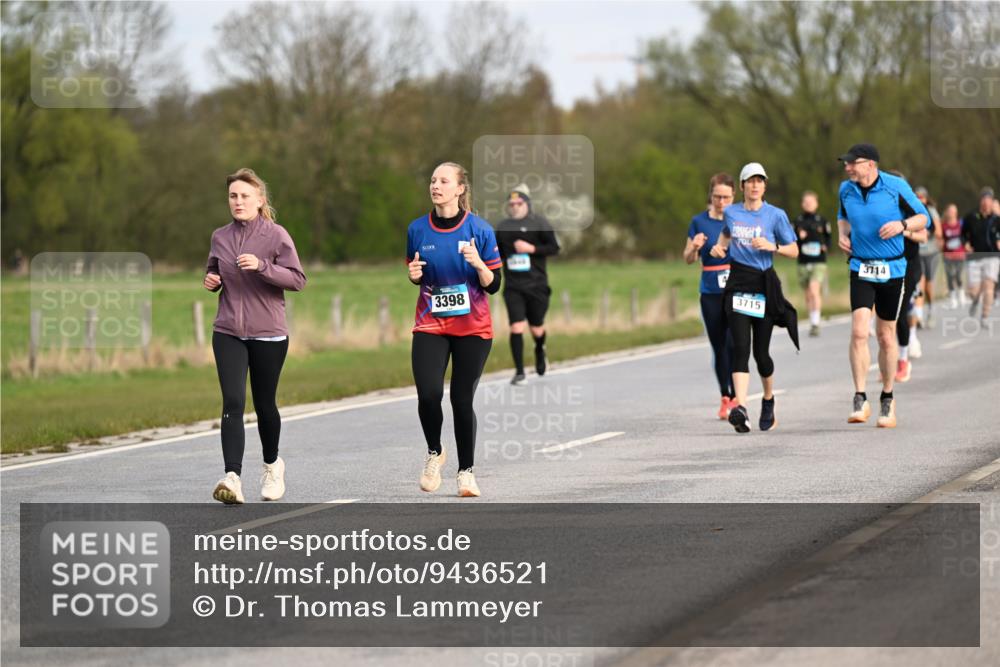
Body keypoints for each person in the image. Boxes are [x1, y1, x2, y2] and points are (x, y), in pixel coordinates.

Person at [204, 168, 306, 504]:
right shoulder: (220, 236)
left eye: (245, 196)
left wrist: (262, 266)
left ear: (260, 200)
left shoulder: (276, 236)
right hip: (228, 330)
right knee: (233, 402)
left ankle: (272, 466)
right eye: (233, 196)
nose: (238, 201)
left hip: (268, 334)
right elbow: (214, 267)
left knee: (264, 405)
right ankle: (232, 477)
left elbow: (297, 280)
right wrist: (212, 279)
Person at [407, 162, 502, 497]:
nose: (436, 185)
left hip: (473, 328)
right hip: (431, 323)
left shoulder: (480, 230)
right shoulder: (417, 229)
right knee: (429, 393)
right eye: (433, 180)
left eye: (444, 181)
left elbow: (493, 285)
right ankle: (435, 452)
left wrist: (478, 263)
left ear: (460, 188)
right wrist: (414, 276)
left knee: (462, 399)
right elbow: (414, 270)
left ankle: (466, 472)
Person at [836, 144, 927, 428]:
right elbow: (842, 216)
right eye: (846, 163)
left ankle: (887, 398)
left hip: (892, 269)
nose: (848, 167)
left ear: (871, 165)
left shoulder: (895, 185)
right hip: (860, 266)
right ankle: (859, 397)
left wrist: (902, 226)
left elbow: (924, 217)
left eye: (853, 163)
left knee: (885, 336)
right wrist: (843, 235)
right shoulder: (845, 189)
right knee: (859, 331)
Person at [709, 162, 799, 434]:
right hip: (738, 283)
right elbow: (726, 233)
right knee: (739, 348)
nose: (755, 185)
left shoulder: (775, 215)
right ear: (743, 186)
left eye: (760, 181)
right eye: (750, 181)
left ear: (764, 186)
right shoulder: (732, 212)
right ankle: (741, 408)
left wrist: (773, 246)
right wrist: (719, 247)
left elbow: (794, 249)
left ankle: (768, 400)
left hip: (763, 285)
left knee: (761, 355)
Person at [494, 184, 560, 385]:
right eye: (511, 204)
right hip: (514, 286)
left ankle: (540, 350)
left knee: (536, 328)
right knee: (516, 326)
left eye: (519, 203)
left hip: (537, 285)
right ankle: (520, 372)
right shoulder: (503, 227)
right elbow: (498, 255)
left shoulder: (539, 222)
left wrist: (531, 248)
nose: (514, 207)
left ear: (527, 204)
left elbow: (554, 248)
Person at [684, 172, 736, 420]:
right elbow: (687, 259)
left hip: (736, 286)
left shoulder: (739, 219)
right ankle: (725, 396)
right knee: (719, 346)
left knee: (735, 343)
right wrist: (694, 248)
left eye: (726, 197)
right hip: (710, 290)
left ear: (734, 196)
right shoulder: (698, 222)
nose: (721, 202)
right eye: (717, 197)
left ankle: (738, 396)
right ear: (711, 196)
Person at [886, 172, 930, 384]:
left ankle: (903, 359)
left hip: (909, 265)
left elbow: (923, 236)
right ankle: (891, 358)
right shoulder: (882, 208)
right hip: (887, 266)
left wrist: (904, 231)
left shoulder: (911, 208)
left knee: (900, 313)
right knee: (888, 316)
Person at [793, 190, 832, 337]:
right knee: (808, 293)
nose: (808, 205)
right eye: (806, 202)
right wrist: (799, 236)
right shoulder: (797, 221)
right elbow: (790, 240)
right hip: (803, 261)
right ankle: (812, 320)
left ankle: (816, 323)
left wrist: (825, 246)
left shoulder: (822, 220)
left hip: (818, 261)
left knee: (814, 289)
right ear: (802, 204)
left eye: (811, 202)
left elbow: (829, 237)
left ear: (816, 204)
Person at [962, 187, 1000, 322]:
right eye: (983, 199)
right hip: (975, 256)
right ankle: (976, 299)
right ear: (980, 201)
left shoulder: (996, 219)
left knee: (989, 285)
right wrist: (965, 243)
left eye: (988, 199)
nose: (985, 202)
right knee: (973, 290)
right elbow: (963, 233)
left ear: (992, 201)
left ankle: (984, 315)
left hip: (992, 257)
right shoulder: (971, 217)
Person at [914, 186, 942, 329]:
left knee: (929, 286)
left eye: (922, 197)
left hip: (931, 253)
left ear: (926, 198)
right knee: (920, 283)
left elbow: (938, 232)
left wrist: (926, 231)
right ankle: (918, 315)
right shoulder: (911, 211)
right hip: (918, 253)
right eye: (917, 197)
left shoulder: (931, 211)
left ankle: (931, 309)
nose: (919, 200)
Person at [941, 203, 966, 308]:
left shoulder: (961, 224)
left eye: (953, 211)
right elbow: (941, 240)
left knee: (958, 276)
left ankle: (961, 294)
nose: (952, 213)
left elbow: (965, 237)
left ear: (956, 212)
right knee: (950, 277)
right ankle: (953, 298)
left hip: (959, 255)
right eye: (950, 211)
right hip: (948, 255)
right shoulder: (943, 226)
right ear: (947, 213)